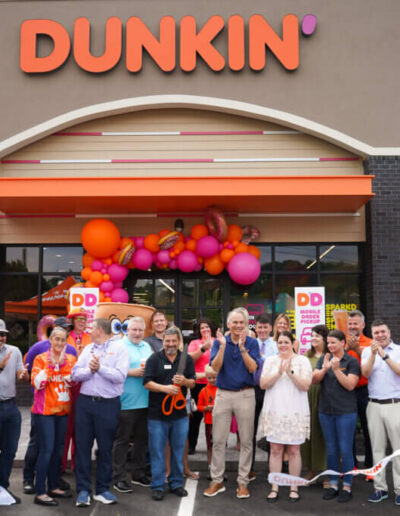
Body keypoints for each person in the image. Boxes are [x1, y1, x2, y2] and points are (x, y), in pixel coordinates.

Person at [71, 318, 130, 507]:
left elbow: (120, 376)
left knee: (105, 449)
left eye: (92, 328)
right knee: (82, 448)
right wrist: (90, 370)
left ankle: (103, 489)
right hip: (85, 404)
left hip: (108, 405)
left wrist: (100, 368)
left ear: (100, 330)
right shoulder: (88, 349)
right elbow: (75, 373)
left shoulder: (120, 349)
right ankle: (83, 490)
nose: (89, 331)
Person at [203, 308, 259, 500]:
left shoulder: (252, 342)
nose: (238, 326)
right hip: (223, 394)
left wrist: (242, 348)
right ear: (228, 324)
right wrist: (223, 346)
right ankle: (217, 480)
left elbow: (253, 368)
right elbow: (215, 368)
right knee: (218, 440)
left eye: (241, 322)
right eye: (234, 322)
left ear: (245, 324)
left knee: (246, 441)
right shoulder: (220, 343)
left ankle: (243, 482)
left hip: (246, 394)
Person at [23, 316, 77, 495]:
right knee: (45, 449)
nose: (60, 343)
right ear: (51, 340)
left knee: (58, 450)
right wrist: (51, 367)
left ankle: (53, 486)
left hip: (62, 411)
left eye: (63, 339)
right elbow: (37, 383)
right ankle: (40, 491)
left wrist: (64, 369)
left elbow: (71, 382)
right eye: (57, 339)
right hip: (43, 411)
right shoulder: (40, 358)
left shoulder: (70, 359)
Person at [143, 326, 196, 501]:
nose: (171, 344)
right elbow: (147, 383)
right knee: (157, 451)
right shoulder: (154, 359)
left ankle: (176, 483)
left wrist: (186, 381)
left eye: (174, 341)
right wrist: (165, 389)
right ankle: (158, 485)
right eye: (168, 341)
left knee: (178, 450)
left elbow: (193, 383)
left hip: (180, 415)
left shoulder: (186, 359)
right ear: (163, 341)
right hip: (157, 415)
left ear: (179, 342)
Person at [260, 331, 312, 503]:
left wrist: (289, 372)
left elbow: (305, 385)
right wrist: (277, 373)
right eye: (280, 342)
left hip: (295, 410)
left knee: (294, 450)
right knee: (275, 450)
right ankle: (275, 487)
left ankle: (293, 487)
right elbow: (263, 384)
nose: (283, 345)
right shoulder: (270, 360)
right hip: (275, 409)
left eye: (286, 342)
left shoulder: (302, 361)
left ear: (292, 343)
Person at [313, 329, 360, 503]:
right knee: (331, 450)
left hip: (346, 412)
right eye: (329, 342)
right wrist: (325, 369)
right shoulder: (323, 358)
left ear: (343, 343)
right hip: (326, 411)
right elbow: (314, 380)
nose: (331, 345)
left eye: (334, 342)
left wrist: (337, 370)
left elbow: (350, 385)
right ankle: (333, 484)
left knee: (346, 449)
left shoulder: (352, 361)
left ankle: (347, 485)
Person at [361, 319, 400, 505]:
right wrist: (373, 356)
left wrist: (384, 356)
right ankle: (380, 488)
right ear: (372, 335)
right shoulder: (367, 351)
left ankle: (399, 489)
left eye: (382, 331)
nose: (380, 335)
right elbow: (366, 373)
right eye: (376, 333)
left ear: (389, 332)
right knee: (377, 450)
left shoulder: (398, 351)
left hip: (395, 404)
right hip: (374, 405)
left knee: (398, 450)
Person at [112, 317, 153, 493]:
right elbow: (111, 370)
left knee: (141, 441)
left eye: (140, 330)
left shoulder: (147, 347)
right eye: (134, 329)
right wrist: (131, 372)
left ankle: (138, 473)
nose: (137, 333)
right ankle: (119, 477)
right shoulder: (119, 346)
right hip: (125, 402)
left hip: (145, 402)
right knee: (121, 441)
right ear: (127, 330)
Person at [0, 319, 29, 504]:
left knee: (10, 450)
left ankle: (2, 488)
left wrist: (23, 376)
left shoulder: (14, 351)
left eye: (3, 334)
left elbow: (21, 377)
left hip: (10, 406)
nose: (1, 338)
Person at [62, 308, 91, 475]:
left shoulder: (89, 337)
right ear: (72, 321)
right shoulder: (66, 337)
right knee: (66, 428)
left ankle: (76, 464)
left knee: (80, 429)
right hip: (67, 386)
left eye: (84, 319)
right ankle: (61, 465)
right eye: (79, 319)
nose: (82, 322)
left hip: (84, 386)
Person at [250, 314, 277, 479]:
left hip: (271, 390)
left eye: (265, 327)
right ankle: (250, 467)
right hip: (253, 389)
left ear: (270, 328)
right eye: (260, 327)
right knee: (250, 429)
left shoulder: (276, 345)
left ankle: (273, 468)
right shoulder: (251, 344)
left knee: (272, 430)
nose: (262, 330)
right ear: (256, 328)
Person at [301, 324, 328, 480]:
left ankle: (325, 472)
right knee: (309, 434)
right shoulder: (306, 355)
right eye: (312, 336)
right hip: (308, 397)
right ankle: (310, 469)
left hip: (325, 397)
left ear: (324, 338)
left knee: (323, 435)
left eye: (317, 336)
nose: (313, 338)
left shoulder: (329, 355)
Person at [346, 309, 373, 469]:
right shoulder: (343, 342)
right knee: (348, 430)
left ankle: (370, 466)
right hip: (347, 391)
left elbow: (371, 365)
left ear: (363, 325)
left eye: (355, 323)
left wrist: (357, 350)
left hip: (365, 391)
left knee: (368, 429)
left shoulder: (370, 343)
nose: (352, 326)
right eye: (350, 324)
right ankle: (352, 466)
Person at [187, 317, 215, 455]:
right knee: (196, 416)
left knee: (216, 416)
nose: (205, 329)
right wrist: (203, 348)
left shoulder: (217, 342)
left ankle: (215, 444)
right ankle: (192, 445)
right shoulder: (194, 343)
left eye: (207, 327)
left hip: (215, 385)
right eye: (202, 327)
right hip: (198, 384)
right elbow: (190, 360)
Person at [197, 365, 218, 477]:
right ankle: (210, 466)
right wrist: (206, 408)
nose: (212, 380)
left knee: (220, 445)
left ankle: (219, 467)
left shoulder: (221, 389)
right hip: (209, 421)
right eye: (209, 378)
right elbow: (199, 406)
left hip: (220, 421)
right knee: (210, 445)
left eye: (214, 377)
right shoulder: (204, 390)